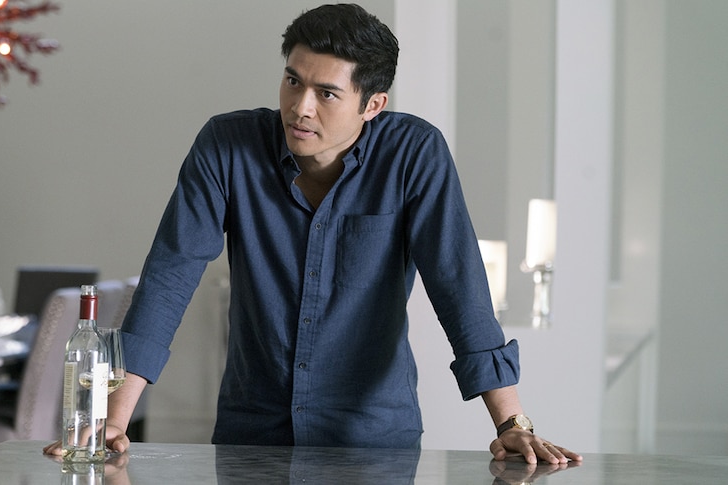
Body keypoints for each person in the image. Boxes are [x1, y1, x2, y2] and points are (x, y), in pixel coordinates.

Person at [45, 3, 581, 464]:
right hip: (251, 435)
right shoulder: (226, 146)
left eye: (327, 93)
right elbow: (170, 274)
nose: (300, 106)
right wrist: (115, 419)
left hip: (373, 442)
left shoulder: (415, 155)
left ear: (372, 106)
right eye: (293, 80)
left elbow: (458, 285)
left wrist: (511, 425)